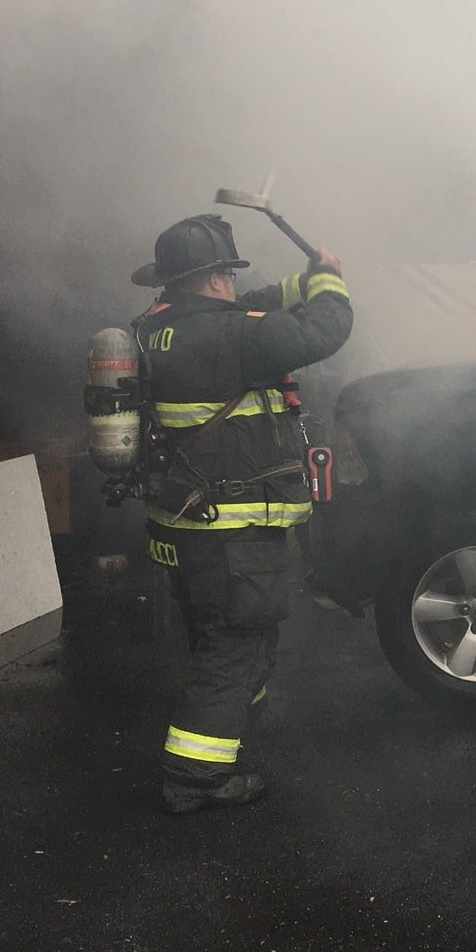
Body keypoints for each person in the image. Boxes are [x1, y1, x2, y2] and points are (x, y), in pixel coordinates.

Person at [132, 214, 353, 813]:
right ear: (213, 281)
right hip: (231, 531)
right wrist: (328, 279)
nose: (234, 284)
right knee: (235, 644)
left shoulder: (156, 329)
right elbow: (326, 330)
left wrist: (296, 283)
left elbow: (253, 310)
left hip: (187, 523)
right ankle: (196, 777)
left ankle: (223, 736)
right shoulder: (233, 340)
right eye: (227, 274)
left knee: (220, 638)